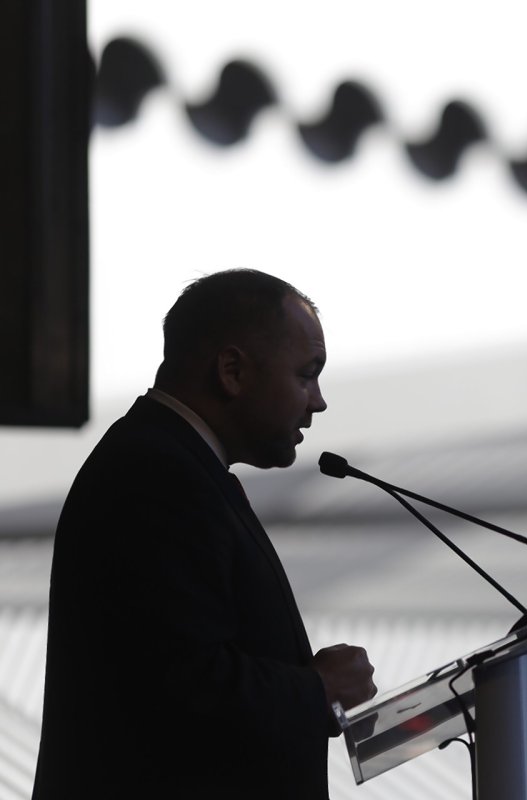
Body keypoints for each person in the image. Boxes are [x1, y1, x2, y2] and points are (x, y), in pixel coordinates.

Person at [33, 269, 378, 799]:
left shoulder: (173, 462)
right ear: (232, 371)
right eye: (307, 375)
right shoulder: (155, 474)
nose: (318, 401)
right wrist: (317, 689)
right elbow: (179, 686)